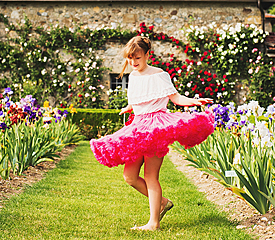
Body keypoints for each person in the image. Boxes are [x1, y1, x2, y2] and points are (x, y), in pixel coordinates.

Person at [90, 36, 215, 231]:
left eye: (137, 58)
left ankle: (153, 223)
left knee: (150, 175)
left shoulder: (159, 75)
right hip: (138, 126)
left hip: (156, 127)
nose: (133, 63)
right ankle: (162, 202)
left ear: (148, 55)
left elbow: (175, 97)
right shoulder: (132, 76)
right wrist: (129, 107)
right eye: (130, 59)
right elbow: (139, 98)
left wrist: (194, 101)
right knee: (129, 177)